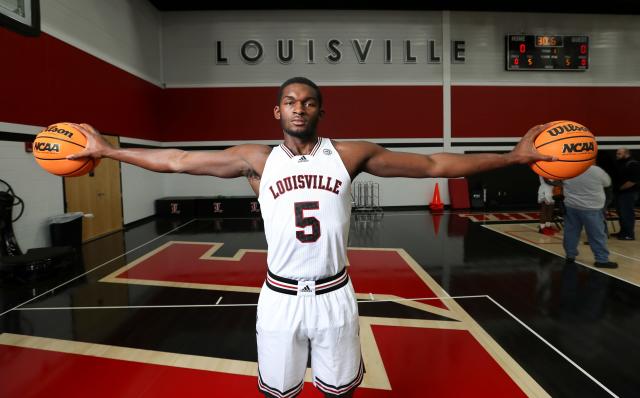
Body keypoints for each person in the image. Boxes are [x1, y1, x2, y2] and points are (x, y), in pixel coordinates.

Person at [67, 77, 553, 398]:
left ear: (320, 109)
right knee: (279, 391)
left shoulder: (349, 154)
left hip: (333, 293)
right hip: (278, 296)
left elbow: (433, 164)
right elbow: (175, 161)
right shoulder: (255, 160)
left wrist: (512, 158)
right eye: (290, 102)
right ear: (276, 111)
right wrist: (109, 152)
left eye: (308, 101)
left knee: (338, 390)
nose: (299, 108)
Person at [562, 164, 618, 269]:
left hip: (571, 206)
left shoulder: (568, 169)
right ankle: (601, 260)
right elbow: (608, 183)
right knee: (597, 235)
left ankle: (570, 255)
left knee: (571, 232)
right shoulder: (596, 170)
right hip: (592, 208)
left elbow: (558, 182)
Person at [612, 147, 639, 240]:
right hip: (619, 193)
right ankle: (623, 232)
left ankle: (629, 234)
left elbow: (633, 181)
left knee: (627, 213)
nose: (617, 155)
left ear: (626, 154)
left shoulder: (633, 164)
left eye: (619, 154)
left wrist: (620, 188)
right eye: (617, 153)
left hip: (628, 193)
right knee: (621, 213)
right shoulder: (620, 163)